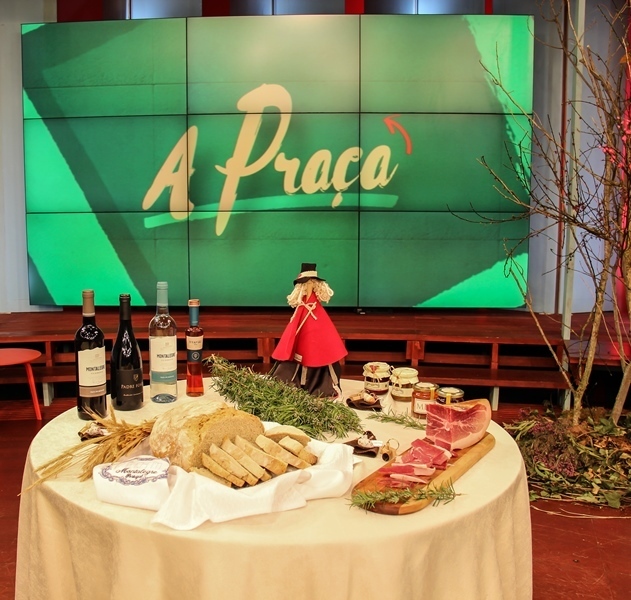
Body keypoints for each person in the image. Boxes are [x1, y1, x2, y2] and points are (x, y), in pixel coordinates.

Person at [269, 263, 347, 398]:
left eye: (310, 283)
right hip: (304, 324)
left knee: (316, 351)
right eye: (306, 283)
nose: (308, 286)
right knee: (298, 349)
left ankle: (320, 386)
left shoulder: (313, 307)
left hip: (315, 325)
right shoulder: (303, 306)